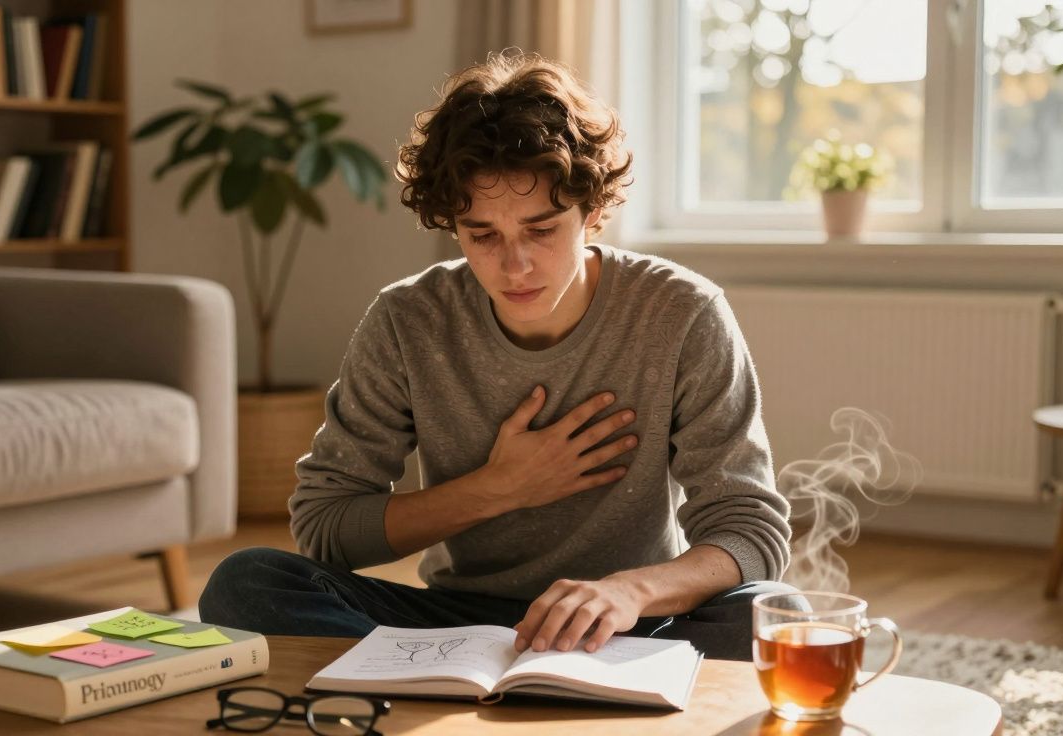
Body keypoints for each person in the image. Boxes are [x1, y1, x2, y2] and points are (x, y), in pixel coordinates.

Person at [199, 52, 796, 661]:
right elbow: (325, 531)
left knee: (771, 612)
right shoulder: (409, 319)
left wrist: (630, 591)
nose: (514, 266)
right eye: (482, 235)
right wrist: (499, 488)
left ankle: (429, 693)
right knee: (246, 582)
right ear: (451, 224)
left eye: (541, 230)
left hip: (624, 619)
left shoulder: (681, 312)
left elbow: (749, 529)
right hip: (460, 621)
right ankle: (497, 684)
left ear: (590, 212)